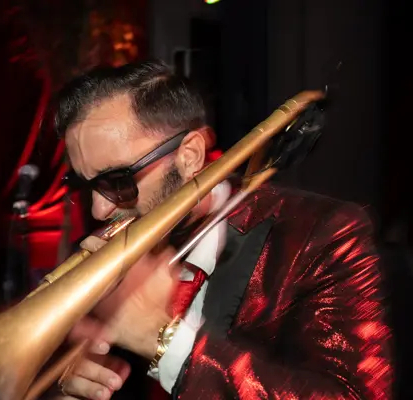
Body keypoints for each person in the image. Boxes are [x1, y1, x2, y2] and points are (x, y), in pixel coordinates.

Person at [45, 59, 394, 399]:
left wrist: (161, 340)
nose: (99, 209)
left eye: (119, 181)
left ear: (190, 155)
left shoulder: (323, 234)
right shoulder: (105, 253)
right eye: (84, 186)